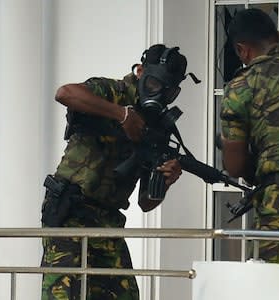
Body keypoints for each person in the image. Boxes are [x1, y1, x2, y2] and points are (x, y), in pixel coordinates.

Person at [40, 44, 190, 299]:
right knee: (65, 293)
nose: (160, 95)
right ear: (141, 72)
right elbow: (65, 93)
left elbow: (146, 202)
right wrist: (121, 114)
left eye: (170, 91)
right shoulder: (112, 91)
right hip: (71, 213)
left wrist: (165, 180)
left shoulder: (157, 125)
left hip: (109, 222)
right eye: (155, 85)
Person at [220, 8, 279, 264]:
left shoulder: (240, 88)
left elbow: (233, 166)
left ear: (242, 50)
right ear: (277, 35)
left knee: (278, 285)